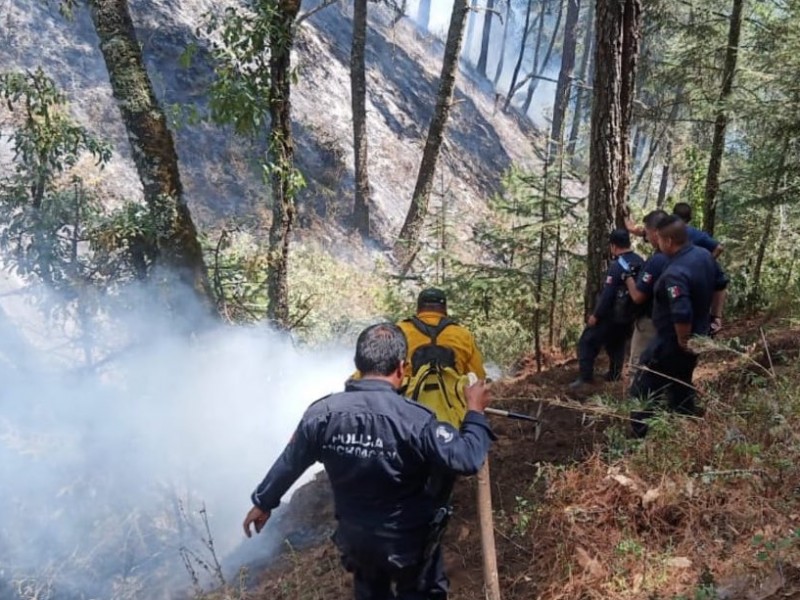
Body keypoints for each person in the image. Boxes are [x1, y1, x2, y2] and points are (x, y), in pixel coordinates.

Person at [242, 323, 495, 600]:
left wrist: (263, 502)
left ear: (358, 364)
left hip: (357, 543)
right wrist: (475, 412)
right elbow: (467, 458)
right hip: (408, 545)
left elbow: (291, 461)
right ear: (402, 368)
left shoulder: (323, 414)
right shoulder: (416, 420)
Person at [629, 216, 728, 436]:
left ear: (670, 241)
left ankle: (640, 440)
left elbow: (681, 311)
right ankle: (685, 432)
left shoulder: (676, 273)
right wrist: (716, 316)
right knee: (681, 384)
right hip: (697, 338)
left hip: (671, 343)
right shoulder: (704, 256)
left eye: (661, 240)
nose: (659, 244)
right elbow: (721, 284)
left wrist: (683, 340)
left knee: (642, 391)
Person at [570, 230, 645, 390]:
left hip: (612, 315)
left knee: (587, 341)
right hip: (630, 316)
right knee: (616, 343)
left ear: (613, 246)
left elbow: (608, 294)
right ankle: (615, 374)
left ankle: (585, 378)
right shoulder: (640, 261)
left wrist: (596, 316)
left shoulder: (618, 265)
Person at [399, 288, 486, 380]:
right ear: (444, 308)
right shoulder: (463, 334)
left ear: (418, 308)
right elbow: (478, 377)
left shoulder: (399, 331)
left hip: (408, 393)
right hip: (453, 393)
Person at [622, 209, 670, 367]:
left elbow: (638, 296)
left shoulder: (657, 261)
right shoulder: (684, 251)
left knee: (638, 368)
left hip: (650, 322)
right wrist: (631, 228)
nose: (646, 237)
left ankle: (636, 392)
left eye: (647, 233)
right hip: (670, 321)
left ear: (656, 233)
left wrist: (628, 277)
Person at [625, 202, 723, 258]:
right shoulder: (694, 233)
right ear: (689, 219)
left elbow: (718, 248)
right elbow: (718, 248)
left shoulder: (692, 233)